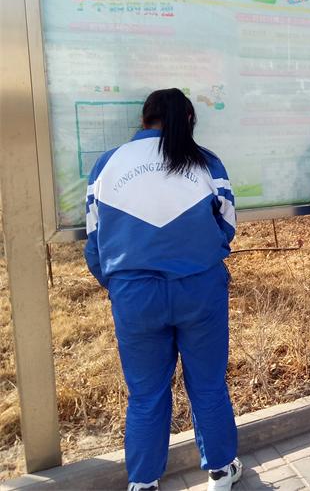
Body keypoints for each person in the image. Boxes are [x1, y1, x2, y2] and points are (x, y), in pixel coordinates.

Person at [84, 88, 242, 491]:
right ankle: (222, 472)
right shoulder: (206, 162)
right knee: (207, 383)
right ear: (189, 118)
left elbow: (94, 239)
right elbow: (227, 226)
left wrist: (118, 283)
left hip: (135, 295)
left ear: (144, 118)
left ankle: (143, 482)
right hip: (200, 288)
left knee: (146, 394)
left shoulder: (109, 163)